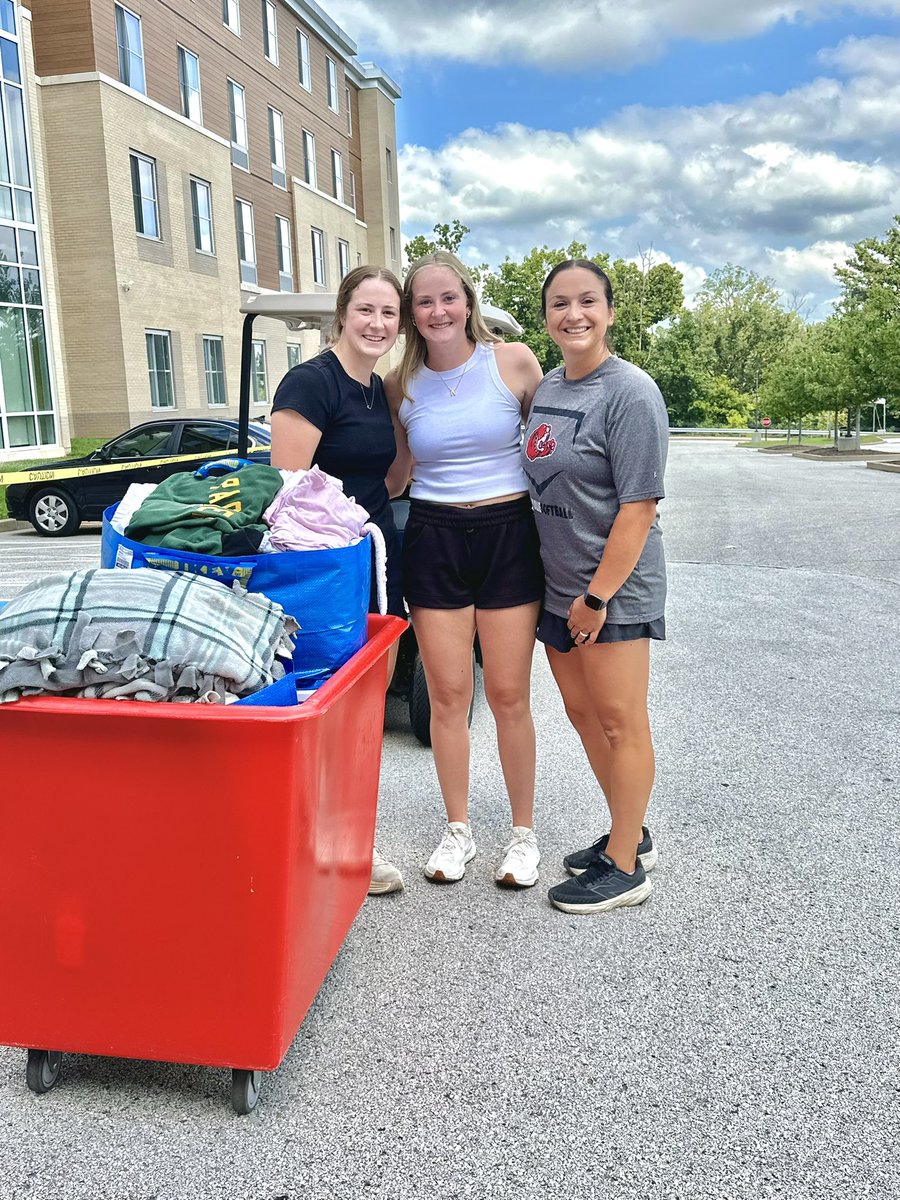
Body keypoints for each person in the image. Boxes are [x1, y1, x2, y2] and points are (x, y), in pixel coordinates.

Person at [385, 251, 545, 887]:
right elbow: (396, 473)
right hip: (434, 536)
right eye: (424, 302)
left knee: (509, 696)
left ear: (468, 301)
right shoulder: (400, 384)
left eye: (448, 297)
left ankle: (523, 836)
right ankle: (459, 831)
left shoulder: (513, 361)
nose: (438, 310)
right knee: (449, 698)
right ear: (411, 315)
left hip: (509, 534)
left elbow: (553, 448)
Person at [522, 258, 668, 914]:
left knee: (620, 721)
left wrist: (598, 597)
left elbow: (640, 507)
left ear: (609, 312)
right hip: (557, 587)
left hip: (610, 592)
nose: (573, 314)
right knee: (584, 718)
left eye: (587, 302)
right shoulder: (551, 386)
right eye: (559, 303)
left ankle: (625, 870)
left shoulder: (631, 392)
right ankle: (627, 834)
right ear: (546, 314)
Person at [270, 265, 410, 896]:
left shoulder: (375, 389)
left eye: (389, 313)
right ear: (342, 313)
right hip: (323, 575)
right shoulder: (310, 383)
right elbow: (288, 494)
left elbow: (388, 477)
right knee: (325, 708)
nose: (377, 324)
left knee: (367, 713)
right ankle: (314, 844)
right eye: (366, 310)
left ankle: (352, 841)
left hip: (373, 564)